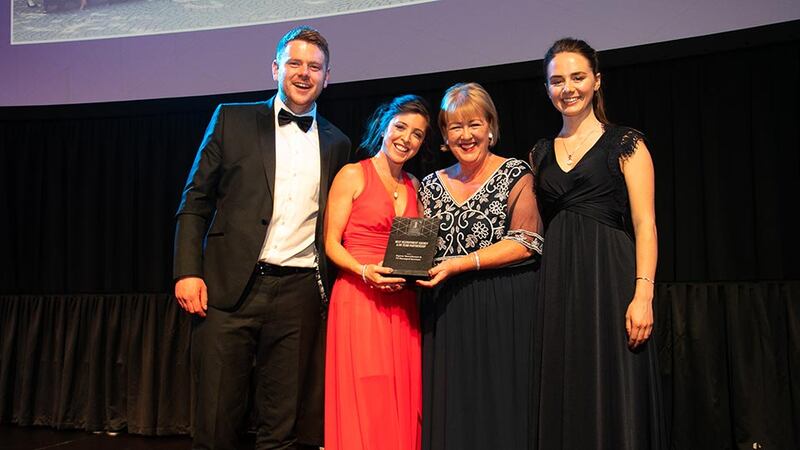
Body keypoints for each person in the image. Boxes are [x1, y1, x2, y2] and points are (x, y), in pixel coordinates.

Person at [172, 26, 352, 450]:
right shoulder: (231, 119)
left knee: (281, 425)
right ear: (275, 69)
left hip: (298, 293)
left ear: (328, 77)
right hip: (227, 288)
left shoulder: (338, 142)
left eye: (314, 67)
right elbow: (195, 200)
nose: (304, 73)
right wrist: (187, 272)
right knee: (216, 420)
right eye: (294, 63)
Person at [528, 37, 666, 449]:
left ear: (597, 81)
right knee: (566, 383)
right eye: (557, 81)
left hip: (610, 278)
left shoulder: (626, 143)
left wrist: (643, 295)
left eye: (577, 77)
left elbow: (645, 224)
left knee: (615, 381)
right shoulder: (539, 153)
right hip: (557, 282)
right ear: (547, 88)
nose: (567, 88)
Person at [417, 82, 543, 450]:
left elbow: (527, 242)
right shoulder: (429, 185)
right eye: (456, 126)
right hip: (445, 313)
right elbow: (417, 253)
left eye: (475, 124)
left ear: (490, 126)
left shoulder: (516, 173)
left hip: (504, 307)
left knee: (502, 407)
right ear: (444, 135)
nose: (466, 135)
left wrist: (461, 263)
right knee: (454, 410)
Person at [323, 94, 430, 450]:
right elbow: (331, 243)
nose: (406, 138)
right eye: (400, 127)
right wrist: (364, 270)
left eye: (417, 134)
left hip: (402, 306)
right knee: (366, 394)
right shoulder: (353, 174)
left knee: (403, 395)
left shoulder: (416, 185)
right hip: (358, 297)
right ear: (383, 127)